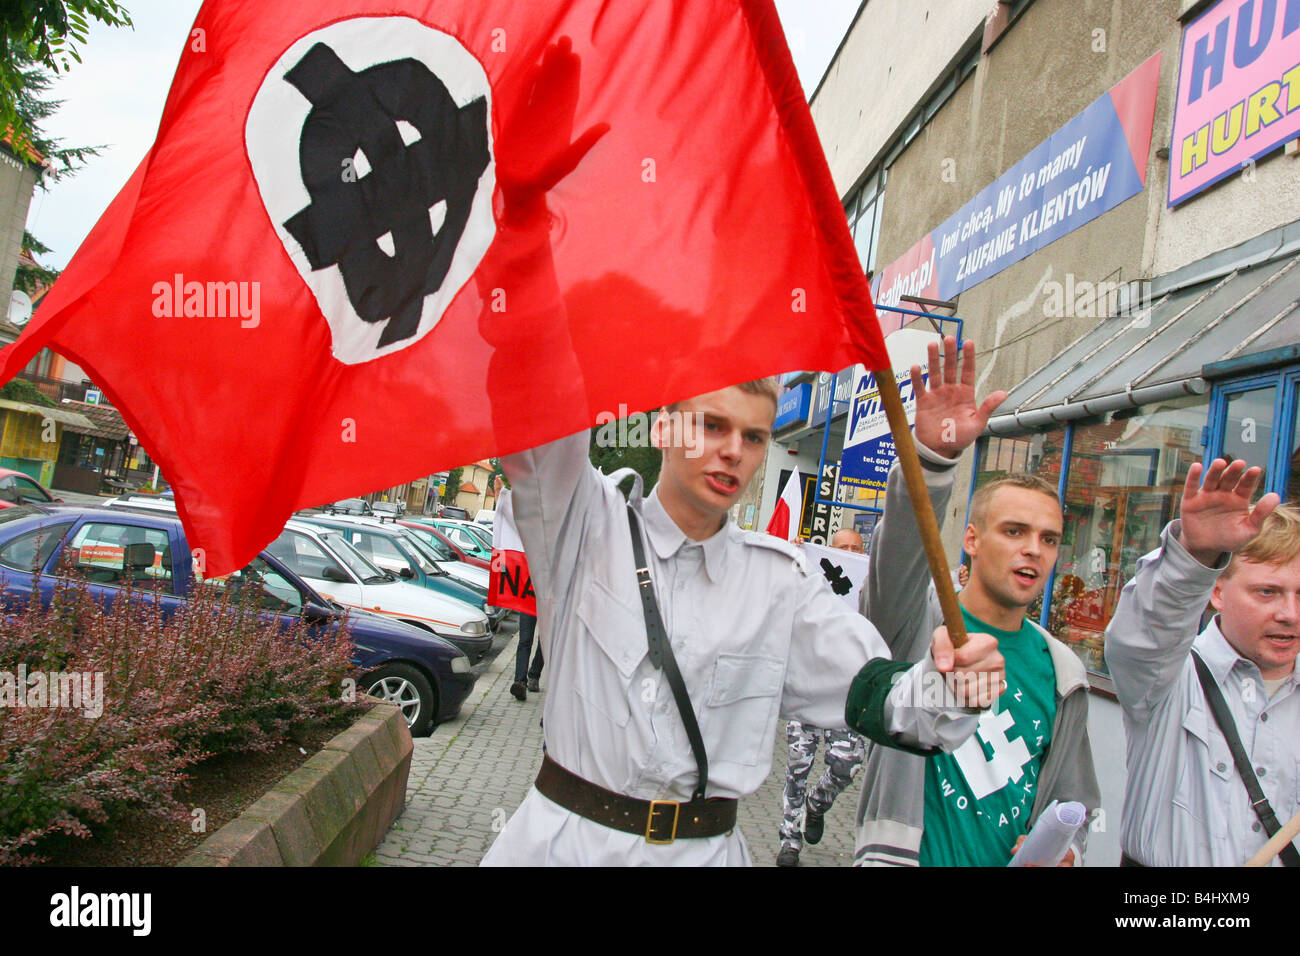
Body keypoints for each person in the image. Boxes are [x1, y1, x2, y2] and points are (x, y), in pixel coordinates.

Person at [480, 377, 1007, 866]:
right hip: (564, 847)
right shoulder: (582, 524)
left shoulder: (781, 584)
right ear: (662, 428)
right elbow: (534, 405)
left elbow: (883, 696)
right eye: (712, 426)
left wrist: (956, 685)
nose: (734, 450)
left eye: (754, 437)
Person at [850, 336, 1099, 867]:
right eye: (1014, 531)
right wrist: (935, 458)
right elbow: (898, 554)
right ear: (972, 539)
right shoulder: (915, 624)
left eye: (1049, 538)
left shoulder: (1063, 671)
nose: (1033, 549)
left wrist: (1068, 848)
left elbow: (1075, 797)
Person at [1105, 459, 1298, 866]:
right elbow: (1143, 635)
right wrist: (1192, 557)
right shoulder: (1168, 680)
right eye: (1267, 592)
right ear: (1217, 592)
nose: (1290, 614)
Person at [775, 527, 870, 867]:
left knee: (847, 763)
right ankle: (790, 839)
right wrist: (798, 556)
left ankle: (818, 803)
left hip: (846, 694)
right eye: (842, 547)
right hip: (807, 690)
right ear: (831, 550)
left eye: (855, 548)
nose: (849, 551)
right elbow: (781, 584)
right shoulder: (812, 574)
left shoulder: (871, 585)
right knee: (797, 768)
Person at [509, 612, 545, 700]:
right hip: (528, 601)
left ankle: (534, 675)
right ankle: (520, 682)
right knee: (525, 640)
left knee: (545, 641)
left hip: (549, 603)